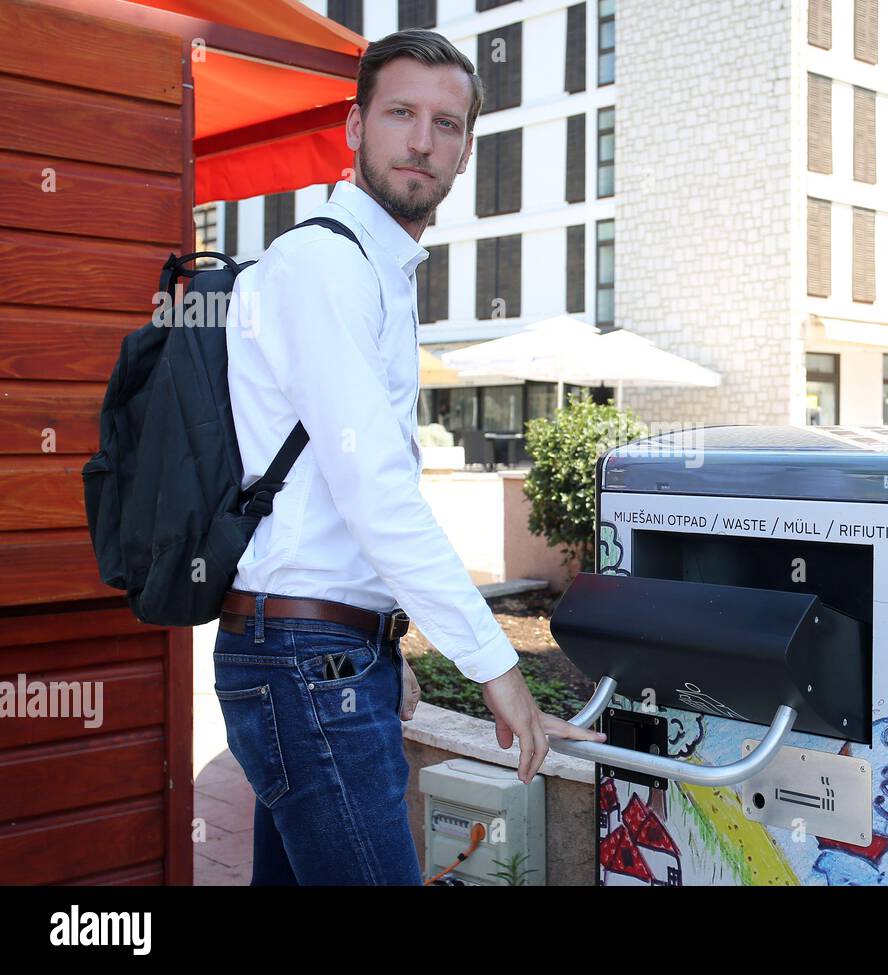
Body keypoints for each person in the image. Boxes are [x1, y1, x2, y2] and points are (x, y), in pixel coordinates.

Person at [218, 28, 604, 885]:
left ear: (466, 150)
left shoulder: (379, 271)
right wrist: (497, 667)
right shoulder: (324, 264)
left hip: (320, 658)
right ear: (354, 127)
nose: (422, 140)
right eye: (400, 113)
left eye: (447, 123)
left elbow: (339, 501)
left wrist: (382, 645)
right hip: (304, 665)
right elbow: (376, 492)